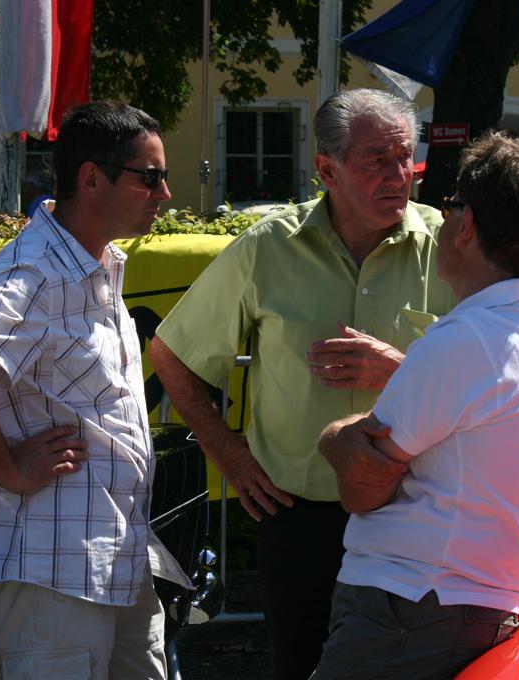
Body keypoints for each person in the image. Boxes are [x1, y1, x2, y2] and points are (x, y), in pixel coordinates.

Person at [149, 88, 455, 680]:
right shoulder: (267, 247)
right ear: (326, 169)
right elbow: (172, 353)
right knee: (303, 667)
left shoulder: (448, 247)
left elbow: (498, 374)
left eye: (404, 158)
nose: (397, 176)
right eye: (376, 160)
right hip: (299, 518)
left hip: (418, 511)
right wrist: (227, 453)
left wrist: (401, 370)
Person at [0, 101, 181, 680]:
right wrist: (9, 468)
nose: (165, 193)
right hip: (49, 570)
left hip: (108, 557)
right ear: (91, 178)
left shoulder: (95, 263)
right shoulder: (35, 271)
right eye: (151, 177)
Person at [313, 131, 519, 680]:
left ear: (468, 226)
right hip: (458, 603)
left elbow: (362, 485)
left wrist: (335, 436)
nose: (439, 214)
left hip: (411, 606)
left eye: (451, 203)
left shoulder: (462, 339)